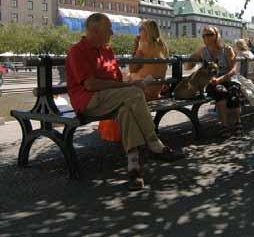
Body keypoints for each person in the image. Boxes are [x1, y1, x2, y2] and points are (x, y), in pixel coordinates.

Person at [65, 13, 184, 191]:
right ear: (94, 30)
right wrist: (128, 86)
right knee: (134, 93)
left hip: (112, 99)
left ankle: (134, 168)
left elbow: (118, 80)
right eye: (108, 29)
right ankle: (154, 143)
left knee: (126, 111)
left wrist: (129, 83)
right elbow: (90, 85)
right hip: (88, 101)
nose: (112, 33)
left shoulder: (107, 51)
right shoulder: (77, 51)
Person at [185, 26, 241, 138]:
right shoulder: (202, 50)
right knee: (220, 92)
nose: (206, 37)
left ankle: (237, 123)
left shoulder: (227, 49)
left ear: (216, 35)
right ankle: (224, 125)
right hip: (211, 82)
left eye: (209, 34)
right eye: (204, 35)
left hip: (227, 79)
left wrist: (221, 79)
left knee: (233, 92)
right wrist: (192, 59)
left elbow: (234, 69)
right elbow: (187, 66)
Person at [128, 20, 169, 100]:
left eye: (140, 29)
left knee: (124, 76)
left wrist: (135, 48)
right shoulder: (163, 46)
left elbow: (132, 68)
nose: (139, 32)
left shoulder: (143, 46)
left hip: (144, 90)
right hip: (156, 90)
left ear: (146, 32)